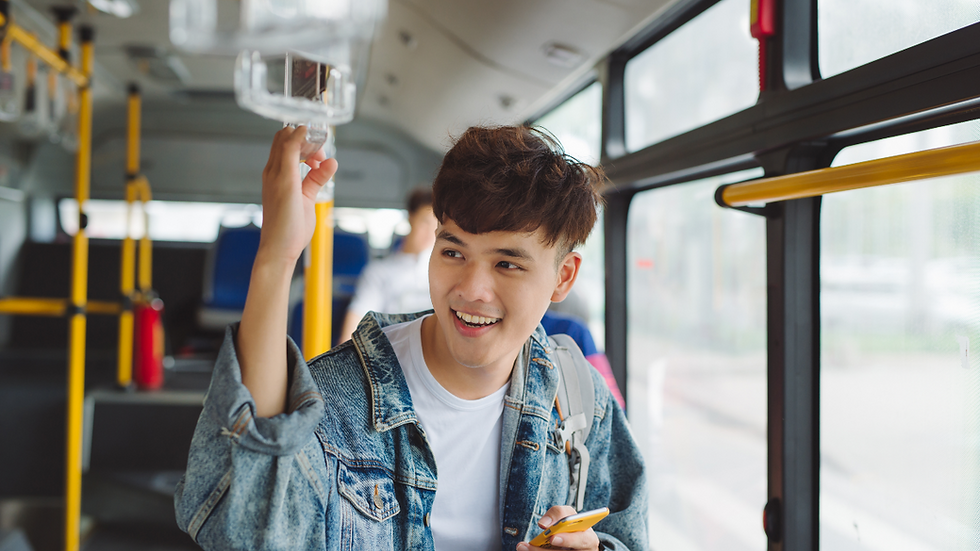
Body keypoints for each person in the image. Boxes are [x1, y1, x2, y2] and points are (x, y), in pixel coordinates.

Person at [174, 125, 648, 551]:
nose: (470, 290)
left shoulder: (580, 402)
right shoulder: (338, 400)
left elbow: (626, 536)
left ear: (563, 278)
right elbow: (246, 533)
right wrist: (276, 257)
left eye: (507, 264)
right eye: (453, 251)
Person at [339, 187, 437, 343]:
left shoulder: (442, 271)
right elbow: (356, 323)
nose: (430, 232)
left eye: (436, 225)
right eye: (425, 222)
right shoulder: (379, 271)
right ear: (411, 218)